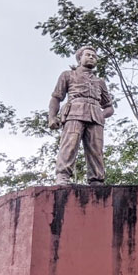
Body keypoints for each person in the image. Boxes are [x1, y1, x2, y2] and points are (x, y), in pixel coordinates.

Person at [48, 46, 114, 185]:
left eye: (94, 56)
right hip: (74, 113)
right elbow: (56, 97)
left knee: (96, 149)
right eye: (88, 55)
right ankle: (62, 176)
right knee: (69, 145)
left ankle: (96, 179)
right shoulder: (68, 75)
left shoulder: (100, 82)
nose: (91, 57)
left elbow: (109, 107)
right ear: (79, 58)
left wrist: (102, 115)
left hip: (95, 117)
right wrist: (52, 117)